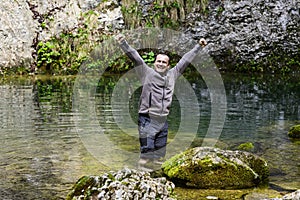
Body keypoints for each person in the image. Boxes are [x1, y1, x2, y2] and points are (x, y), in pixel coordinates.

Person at [115, 34, 207, 171]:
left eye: (164, 62)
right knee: (146, 154)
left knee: (159, 156)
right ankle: (142, 182)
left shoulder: (173, 74)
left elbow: (185, 60)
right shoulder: (146, 72)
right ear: (154, 63)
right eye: (158, 61)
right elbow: (134, 56)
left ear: (168, 65)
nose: (161, 64)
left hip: (162, 121)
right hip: (147, 119)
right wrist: (123, 43)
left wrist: (198, 47)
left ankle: (158, 182)